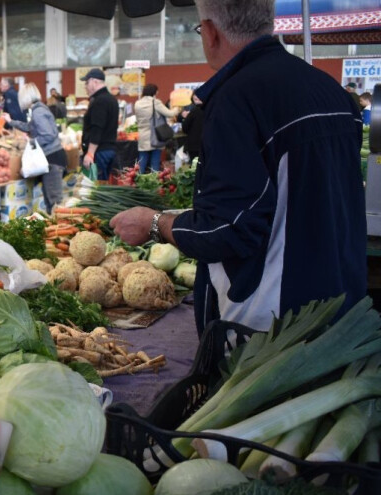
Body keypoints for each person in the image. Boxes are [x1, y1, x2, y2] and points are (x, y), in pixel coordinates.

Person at [110, 0, 366, 334]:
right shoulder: (329, 88)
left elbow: (227, 230)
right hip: (340, 307)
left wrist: (154, 222)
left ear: (212, 33)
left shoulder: (236, 100)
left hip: (274, 331)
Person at [5, 83, 66, 212]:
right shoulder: (40, 109)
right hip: (53, 157)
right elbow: (29, 127)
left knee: (54, 202)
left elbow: (48, 135)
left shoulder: (38, 112)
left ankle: (61, 228)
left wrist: (31, 142)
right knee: (51, 201)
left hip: (52, 158)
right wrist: (11, 121)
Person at [80, 68, 118, 180]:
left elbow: (97, 128)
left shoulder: (99, 101)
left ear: (94, 82)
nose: (85, 87)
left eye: (86, 83)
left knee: (93, 188)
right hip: (109, 149)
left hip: (98, 152)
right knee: (103, 187)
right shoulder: (112, 99)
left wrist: (90, 153)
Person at [134, 83, 181, 173]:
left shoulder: (137, 103)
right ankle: (154, 182)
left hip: (143, 135)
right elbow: (169, 114)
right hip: (155, 135)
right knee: (155, 161)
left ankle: (138, 180)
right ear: (154, 92)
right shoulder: (155, 102)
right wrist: (176, 108)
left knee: (142, 161)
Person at [181, 94, 205, 162]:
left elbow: (185, 128)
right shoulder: (211, 109)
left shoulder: (194, 111)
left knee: (194, 166)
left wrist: (184, 118)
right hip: (207, 144)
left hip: (194, 145)